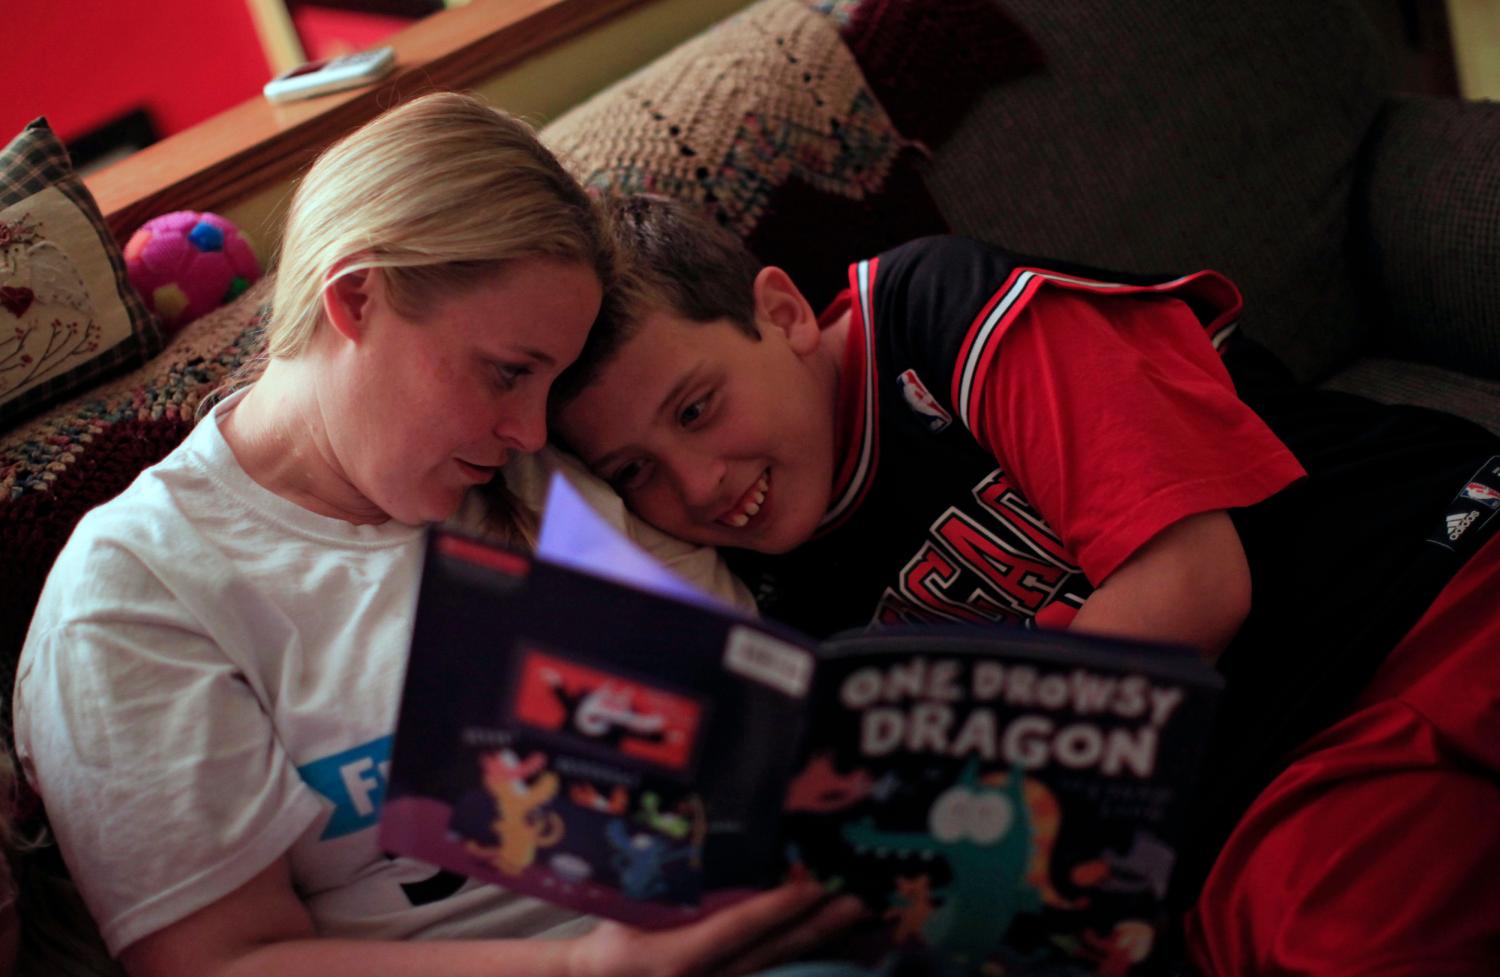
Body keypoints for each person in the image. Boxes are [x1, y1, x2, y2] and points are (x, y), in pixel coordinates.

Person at [12, 95, 862, 977]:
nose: (530, 431)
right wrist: (590, 967)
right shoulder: (139, 588)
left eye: (550, 383)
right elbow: (223, 964)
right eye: (507, 372)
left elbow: (765, 736)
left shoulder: (544, 484)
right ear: (356, 296)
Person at [550, 193, 1500, 975]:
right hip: (1261, 786)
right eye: (635, 470)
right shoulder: (753, 583)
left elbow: (1192, 587)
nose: (698, 485)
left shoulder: (938, 308)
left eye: (697, 408)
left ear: (785, 314)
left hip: (1425, 581)